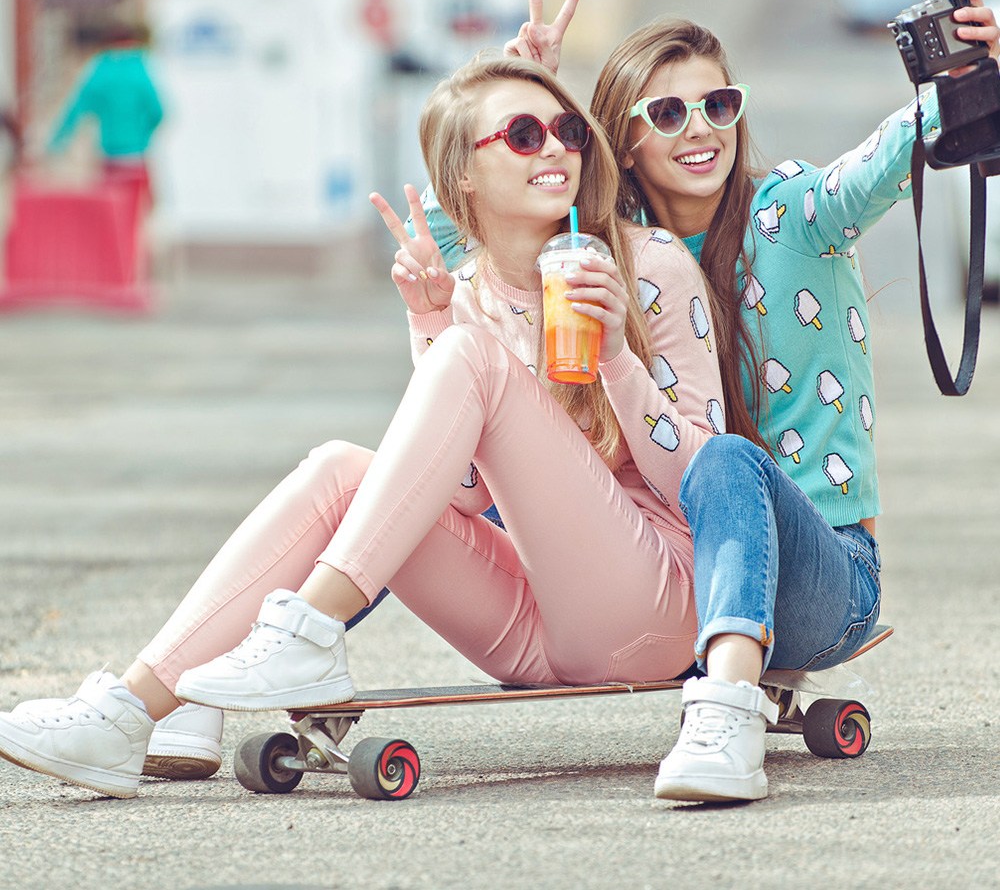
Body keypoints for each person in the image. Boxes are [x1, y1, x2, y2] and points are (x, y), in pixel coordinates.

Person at [0, 55, 724, 799]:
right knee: (340, 468)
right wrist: (432, 320)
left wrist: (616, 361)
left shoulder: (649, 267)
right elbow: (469, 495)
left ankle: (309, 628)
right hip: (540, 629)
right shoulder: (469, 291)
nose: (556, 148)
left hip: (655, 608)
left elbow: (708, 481)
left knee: (468, 361)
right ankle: (124, 716)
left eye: (568, 130)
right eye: (523, 133)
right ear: (463, 178)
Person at [414, 0, 1000, 802]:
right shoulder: (620, 248)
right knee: (434, 467)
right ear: (621, 140)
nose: (702, 130)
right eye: (668, 112)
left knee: (722, 459)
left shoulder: (795, 214)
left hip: (822, 571)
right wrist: (522, 104)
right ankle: (280, 650)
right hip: (667, 565)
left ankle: (726, 714)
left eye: (719, 105)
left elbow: (890, 155)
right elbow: (463, 223)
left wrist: (979, 74)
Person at [45, 20, 164, 217]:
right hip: (136, 158)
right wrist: (143, 136)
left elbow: (76, 110)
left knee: (112, 218)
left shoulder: (101, 69)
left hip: (109, 157)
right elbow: (158, 111)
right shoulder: (140, 68)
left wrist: (56, 144)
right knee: (138, 217)